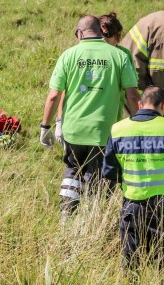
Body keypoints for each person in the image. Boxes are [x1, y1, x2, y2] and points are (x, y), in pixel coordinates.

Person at [40, 15, 139, 218]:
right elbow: (131, 94)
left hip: (73, 130)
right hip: (104, 131)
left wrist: (46, 126)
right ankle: (90, 221)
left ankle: (67, 216)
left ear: (79, 33)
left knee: (72, 168)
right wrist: (137, 125)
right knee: (98, 176)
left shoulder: (68, 55)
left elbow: (53, 96)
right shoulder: (119, 56)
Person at [102, 87, 164, 275]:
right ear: (163, 105)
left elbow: (109, 171)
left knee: (131, 264)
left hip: (132, 205)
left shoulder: (118, 129)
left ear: (139, 104)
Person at [54, 11, 133, 145]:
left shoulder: (122, 55)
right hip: (78, 125)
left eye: (107, 35)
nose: (103, 38)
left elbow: (131, 93)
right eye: (101, 34)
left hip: (111, 121)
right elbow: (64, 91)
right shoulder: (79, 53)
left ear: (117, 36)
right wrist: (59, 120)